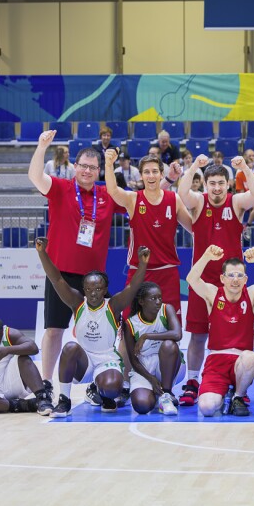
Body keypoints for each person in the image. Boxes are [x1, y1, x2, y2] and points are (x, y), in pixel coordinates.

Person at [27, 130, 124, 394]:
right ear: (75, 167)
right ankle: (46, 383)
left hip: (94, 281)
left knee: (105, 333)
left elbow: (137, 202)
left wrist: (170, 178)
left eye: (93, 168)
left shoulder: (108, 194)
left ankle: (103, 379)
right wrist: (41, 146)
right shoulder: (61, 188)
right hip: (61, 275)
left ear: (99, 170)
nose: (88, 171)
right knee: (54, 330)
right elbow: (35, 177)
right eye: (83, 166)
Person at [176, 154, 254, 407]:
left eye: (220, 183)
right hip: (203, 281)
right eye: (211, 183)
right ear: (205, 185)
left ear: (228, 184)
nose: (215, 188)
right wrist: (193, 167)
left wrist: (244, 167)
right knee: (198, 335)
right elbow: (182, 191)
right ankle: (192, 381)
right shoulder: (198, 202)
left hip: (232, 284)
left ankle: (238, 384)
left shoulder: (236, 203)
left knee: (236, 338)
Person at [35, 237, 150, 416]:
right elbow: (56, 279)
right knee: (70, 347)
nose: (94, 293)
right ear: (84, 290)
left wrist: (142, 264)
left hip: (106, 360)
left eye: (98, 289)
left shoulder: (113, 305)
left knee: (112, 387)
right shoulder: (77, 303)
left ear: (105, 290)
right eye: (89, 289)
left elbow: (133, 287)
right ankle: (64, 400)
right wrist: (42, 253)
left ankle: (104, 394)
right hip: (85, 362)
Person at [186, 245, 254, 417]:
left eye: (239, 276)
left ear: (245, 279)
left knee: (250, 357)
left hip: (241, 362)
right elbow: (191, 279)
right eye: (231, 275)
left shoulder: (251, 294)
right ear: (222, 278)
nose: (235, 280)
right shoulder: (213, 294)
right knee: (207, 408)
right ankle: (222, 398)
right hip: (216, 361)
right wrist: (206, 256)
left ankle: (238, 396)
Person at [102, 149, 192, 318]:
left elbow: (194, 229)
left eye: (155, 172)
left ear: (161, 174)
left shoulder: (174, 199)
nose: (151, 176)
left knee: (170, 328)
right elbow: (113, 191)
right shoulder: (133, 199)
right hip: (139, 272)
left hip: (167, 272)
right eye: (146, 172)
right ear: (141, 176)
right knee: (130, 327)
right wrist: (108, 164)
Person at [124, 282, 184, 416]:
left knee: (169, 344)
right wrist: (151, 378)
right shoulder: (131, 323)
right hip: (144, 368)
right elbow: (133, 360)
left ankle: (167, 394)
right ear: (141, 301)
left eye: (160, 298)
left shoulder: (166, 309)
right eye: (153, 298)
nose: (158, 301)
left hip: (169, 362)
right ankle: (156, 394)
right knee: (142, 406)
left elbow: (177, 334)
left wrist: (146, 336)